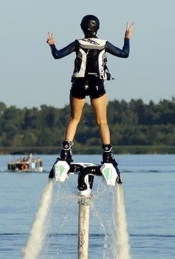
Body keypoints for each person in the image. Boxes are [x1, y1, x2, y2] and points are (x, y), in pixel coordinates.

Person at [46, 15, 134, 167]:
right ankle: (107, 155)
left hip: (79, 84)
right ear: (97, 28)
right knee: (102, 121)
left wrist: (52, 44)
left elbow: (57, 55)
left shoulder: (77, 43)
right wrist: (126, 38)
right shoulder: (103, 43)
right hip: (97, 84)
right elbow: (124, 54)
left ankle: (65, 153)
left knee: (74, 119)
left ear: (82, 27)